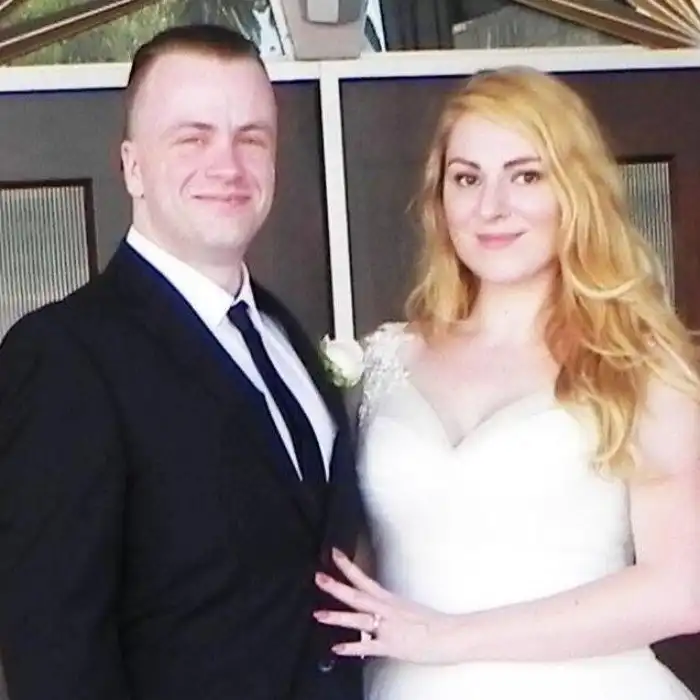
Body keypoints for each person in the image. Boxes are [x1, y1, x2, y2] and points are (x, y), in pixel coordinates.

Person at [0, 24, 364, 700]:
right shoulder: (64, 357)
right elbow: (53, 649)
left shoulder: (282, 335)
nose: (228, 165)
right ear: (133, 166)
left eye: (251, 138)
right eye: (192, 138)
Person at [313, 67, 700, 699]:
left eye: (526, 176)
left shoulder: (636, 362)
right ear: (441, 198)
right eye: (467, 178)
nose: (492, 207)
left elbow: (680, 590)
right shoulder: (386, 359)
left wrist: (449, 638)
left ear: (574, 189)